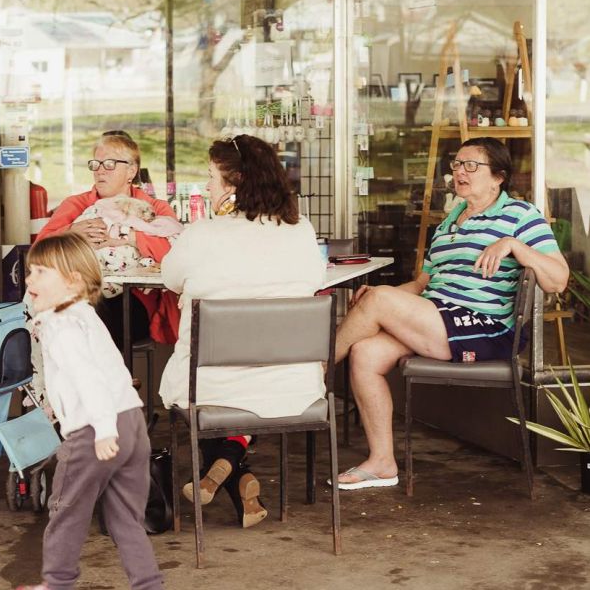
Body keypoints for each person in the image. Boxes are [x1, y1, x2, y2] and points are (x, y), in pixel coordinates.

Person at [334, 137, 568, 490]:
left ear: (498, 177)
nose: (459, 171)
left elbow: (559, 280)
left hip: (486, 327)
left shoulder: (522, 215)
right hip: (440, 317)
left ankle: (311, 373)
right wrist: (380, 298)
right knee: (365, 352)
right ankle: (382, 462)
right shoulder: (450, 221)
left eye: (470, 165)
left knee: (378, 300)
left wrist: (514, 246)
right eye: (456, 164)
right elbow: (422, 284)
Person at [158, 134, 326, 528]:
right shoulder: (300, 230)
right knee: (253, 390)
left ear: (234, 185)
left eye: (211, 178)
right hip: (292, 386)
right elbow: (316, 278)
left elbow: (170, 278)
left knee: (219, 393)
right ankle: (237, 471)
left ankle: (225, 465)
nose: (206, 187)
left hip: (210, 386)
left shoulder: (202, 234)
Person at [17, 232, 163, 590]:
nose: (29, 280)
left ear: (73, 281)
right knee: (126, 518)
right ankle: (148, 584)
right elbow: (108, 370)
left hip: (96, 430)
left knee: (66, 511)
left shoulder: (60, 325)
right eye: (29, 271)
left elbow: (87, 377)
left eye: (40, 273)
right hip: (131, 421)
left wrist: (102, 428)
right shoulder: (86, 316)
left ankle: (57, 583)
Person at [36, 131, 179, 346]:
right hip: (79, 292)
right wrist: (71, 232)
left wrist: (127, 236)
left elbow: (173, 254)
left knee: (87, 316)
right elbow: (38, 250)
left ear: (131, 170)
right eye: (95, 164)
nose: (100, 171)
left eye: (109, 164)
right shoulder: (77, 205)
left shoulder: (155, 209)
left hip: (132, 302)